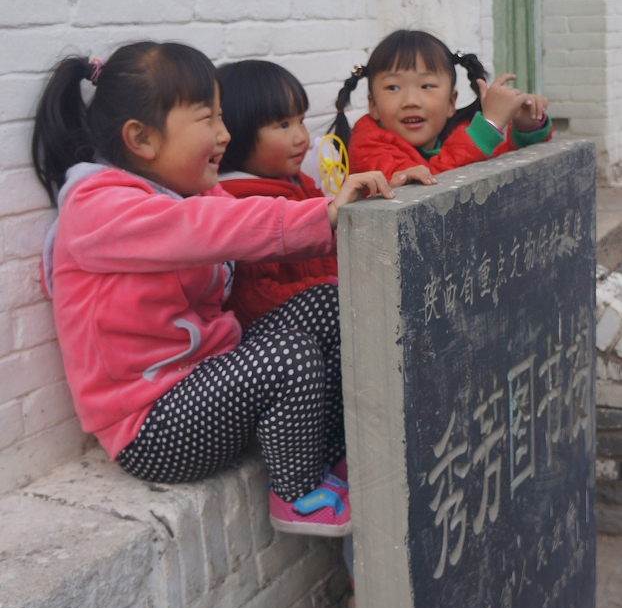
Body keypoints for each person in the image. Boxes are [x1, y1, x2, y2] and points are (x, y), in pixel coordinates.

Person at [32, 41, 394, 538]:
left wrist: (352, 206)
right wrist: (325, 213)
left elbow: (237, 224)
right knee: (286, 356)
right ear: (141, 139)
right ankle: (296, 493)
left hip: (207, 385)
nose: (224, 135)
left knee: (329, 305)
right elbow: (215, 226)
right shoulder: (101, 211)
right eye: (208, 119)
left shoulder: (184, 189)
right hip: (153, 428)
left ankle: (333, 455)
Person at [332, 29, 552, 188]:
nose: (411, 101)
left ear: (451, 103)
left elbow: (500, 161)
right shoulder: (367, 146)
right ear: (373, 106)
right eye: (393, 87)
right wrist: (488, 125)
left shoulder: (456, 133)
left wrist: (526, 129)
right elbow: (432, 188)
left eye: (427, 86)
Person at [217, 59, 338, 329]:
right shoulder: (239, 205)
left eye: (301, 121)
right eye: (283, 125)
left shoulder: (297, 181)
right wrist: (330, 291)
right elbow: (253, 300)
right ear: (237, 132)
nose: (301, 138)